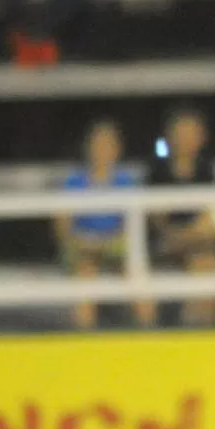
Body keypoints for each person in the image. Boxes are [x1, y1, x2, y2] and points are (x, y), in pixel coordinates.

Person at [54, 120, 144, 330]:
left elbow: (131, 227)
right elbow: (62, 226)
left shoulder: (126, 183)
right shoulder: (74, 182)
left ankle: (147, 337)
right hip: (82, 249)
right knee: (86, 276)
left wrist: (109, 243)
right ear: (88, 148)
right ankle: (84, 341)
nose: (102, 151)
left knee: (139, 281)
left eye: (108, 145)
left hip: (115, 250)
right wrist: (82, 242)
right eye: (98, 145)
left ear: (117, 150)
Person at [147, 107, 215, 328]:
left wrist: (191, 236)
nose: (185, 139)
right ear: (170, 137)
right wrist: (183, 237)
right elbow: (158, 222)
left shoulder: (207, 170)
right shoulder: (157, 172)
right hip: (164, 245)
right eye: (180, 133)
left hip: (198, 244)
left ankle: (198, 330)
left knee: (204, 262)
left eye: (191, 133)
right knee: (202, 255)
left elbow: (210, 219)